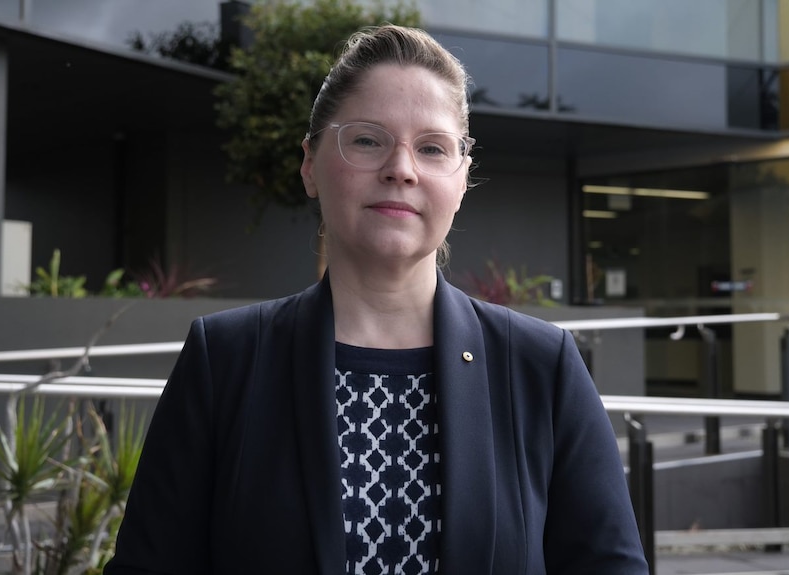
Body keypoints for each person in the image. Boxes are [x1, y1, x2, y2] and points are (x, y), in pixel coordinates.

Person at [104, 24, 648, 575]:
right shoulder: (225, 361)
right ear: (310, 164)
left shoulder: (541, 368)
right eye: (367, 140)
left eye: (432, 148)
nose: (401, 169)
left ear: (462, 180)